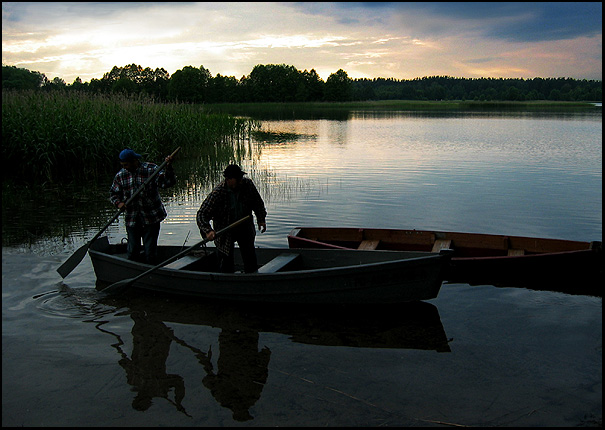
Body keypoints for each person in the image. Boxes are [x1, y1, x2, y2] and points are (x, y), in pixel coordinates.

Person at [109, 148, 176, 264]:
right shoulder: (121, 175)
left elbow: (168, 182)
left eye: (127, 164)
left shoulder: (151, 169)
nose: (125, 167)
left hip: (151, 217)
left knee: (150, 250)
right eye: (123, 165)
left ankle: (151, 270)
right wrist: (119, 203)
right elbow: (113, 194)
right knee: (133, 250)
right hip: (132, 218)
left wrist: (168, 167)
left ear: (135, 161)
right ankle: (134, 269)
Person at [197, 164, 267, 273]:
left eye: (240, 179)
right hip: (225, 230)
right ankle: (227, 281)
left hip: (244, 227)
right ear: (228, 179)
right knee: (226, 261)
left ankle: (252, 278)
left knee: (250, 257)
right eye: (237, 180)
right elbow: (201, 214)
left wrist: (261, 219)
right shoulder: (218, 193)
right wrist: (208, 230)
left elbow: (257, 203)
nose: (240, 182)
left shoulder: (247, 185)